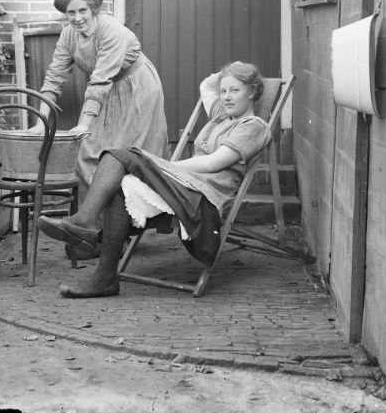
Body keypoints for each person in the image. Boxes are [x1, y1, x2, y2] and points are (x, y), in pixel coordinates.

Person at [37, 61, 271, 298]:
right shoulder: (221, 116)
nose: (226, 97)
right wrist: (228, 73)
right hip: (182, 184)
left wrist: (163, 166)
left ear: (252, 92)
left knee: (118, 155)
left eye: (235, 90)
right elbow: (207, 85)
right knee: (118, 182)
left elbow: (213, 163)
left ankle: (84, 223)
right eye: (224, 91)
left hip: (201, 197)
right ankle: (105, 278)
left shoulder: (253, 127)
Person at [34, 0, 168, 191]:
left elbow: (100, 80)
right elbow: (54, 78)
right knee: (88, 151)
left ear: (93, 10)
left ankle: (136, 216)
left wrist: (84, 124)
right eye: (71, 12)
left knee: (132, 152)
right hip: (105, 90)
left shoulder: (111, 31)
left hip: (136, 88)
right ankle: (93, 219)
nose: (77, 18)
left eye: (82, 11)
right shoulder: (68, 35)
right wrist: (41, 123)